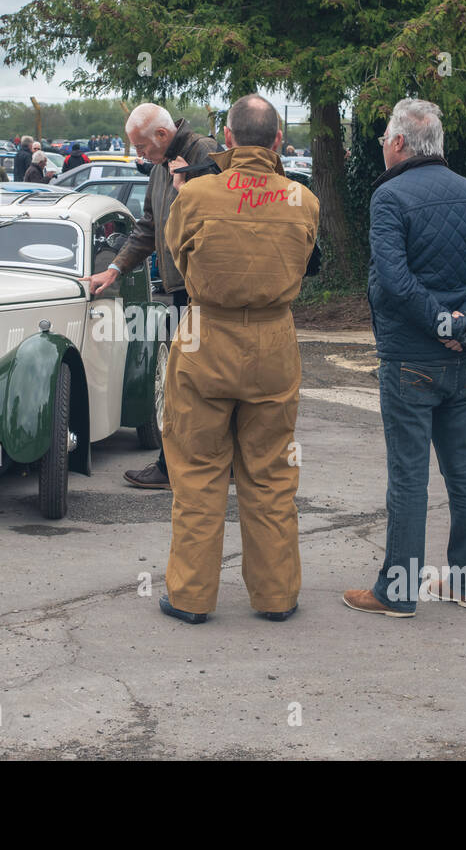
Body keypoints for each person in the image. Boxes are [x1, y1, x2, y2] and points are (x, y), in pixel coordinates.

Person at [341, 98, 466, 618]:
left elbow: (395, 283)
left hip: (410, 358)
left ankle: (397, 591)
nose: (381, 150)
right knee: (463, 469)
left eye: (382, 142)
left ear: (398, 143)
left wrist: (450, 325)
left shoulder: (389, 197)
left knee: (409, 476)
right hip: (460, 361)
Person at [154, 93, 319, 624]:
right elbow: (308, 259)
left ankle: (191, 597)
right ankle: (276, 597)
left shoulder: (197, 194)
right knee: (271, 474)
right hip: (273, 341)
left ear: (227, 138)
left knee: (197, 472)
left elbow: (177, 260)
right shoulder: (303, 199)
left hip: (206, 335)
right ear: (277, 141)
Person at [83, 104, 217, 490]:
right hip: (182, 290)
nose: (138, 155)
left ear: (162, 135)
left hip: (203, 290)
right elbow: (147, 228)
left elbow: (219, 218)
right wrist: (115, 269)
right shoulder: (162, 166)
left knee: (186, 380)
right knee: (195, 381)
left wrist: (186, 187)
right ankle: (196, 464)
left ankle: (171, 467)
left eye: (141, 146)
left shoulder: (203, 155)